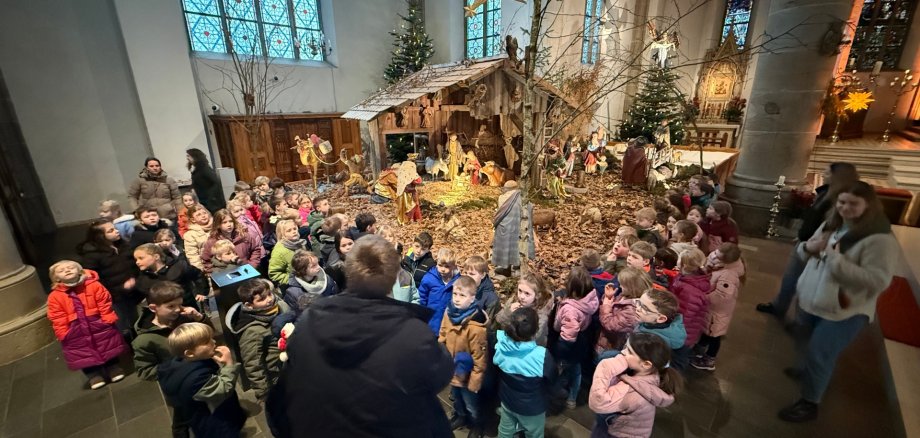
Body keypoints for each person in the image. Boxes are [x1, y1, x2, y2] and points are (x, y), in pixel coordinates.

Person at [266, 235, 454, 438]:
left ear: (349, 271)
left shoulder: (311, 318)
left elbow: (285, 395)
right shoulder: (413, 334)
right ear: (392, 279)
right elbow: (440, 375)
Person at [778, 181, 898, 422]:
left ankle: (810, 402)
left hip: (845, 309)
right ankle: (807, 371)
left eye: (854, 203)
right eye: (842, 202)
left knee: (820, 353)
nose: (845, 207)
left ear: (869, 205)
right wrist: (808, 247)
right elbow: (805, 251)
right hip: (811, 298)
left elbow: (878, 281)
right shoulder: (831, 225)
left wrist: (836, 262)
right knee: (804, 340)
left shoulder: (879, 240)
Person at [757, 163, 860, 319]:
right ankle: (779, 307)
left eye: (827, 172)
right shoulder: (826, 193)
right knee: (790, 278)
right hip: (807, 242)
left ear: (836, 177)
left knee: (807, 284)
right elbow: (813, 218)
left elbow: (830, 227)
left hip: (818, 248)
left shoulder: (841, 200)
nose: (823, 174)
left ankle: (801, 321)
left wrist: (816, 244)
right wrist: (802, 235)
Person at [46, 261, 127, 390]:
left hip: (97, 322)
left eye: (70, 268)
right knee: (82, 352)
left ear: (79, 270)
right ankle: (93, 374)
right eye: (61, 271)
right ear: (56, 278)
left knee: (107, 345)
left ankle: (113, 367)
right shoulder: (55, 296)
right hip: (74, 328)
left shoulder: (93, 285)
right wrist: (63, 331)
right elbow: (56, 315)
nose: (67, 270)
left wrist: (107, 317)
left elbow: (104, 301)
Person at [158, 323, 247, 437]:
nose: (214, 342)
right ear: (190, 353)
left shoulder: (179, 363)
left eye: (211, 338)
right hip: (215, 422)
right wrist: (229, 364)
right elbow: (224, 389)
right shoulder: (196, 380)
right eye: (206, 342)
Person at [588, 333, 680, 438]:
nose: (623, 352)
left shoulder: (631, 392)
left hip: (614, 433)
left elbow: (598, 402)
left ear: (646, 364)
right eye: (626, 347)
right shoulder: (653, 373)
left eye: (629, 352)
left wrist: (605, 368)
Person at [494, 307, 557, 438]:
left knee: (505, 431)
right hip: (532, 408)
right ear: (536, 331)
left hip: (508, 401)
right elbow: (553, 377)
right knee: (534, 434)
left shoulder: (500, 346)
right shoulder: (542, 356)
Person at [439, 276, 489, 437]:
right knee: (457, 399)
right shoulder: (449, 312)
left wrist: (474, 382)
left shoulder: (476, 327)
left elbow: (480, 359)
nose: (457, 299)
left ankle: (477, 423)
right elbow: (443, 332)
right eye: (455, 294)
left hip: (467, 376)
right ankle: (460, 417)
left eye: (462, 295)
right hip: (451, 368)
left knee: (471, 404)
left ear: (472, 298)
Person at [76, 219, 141, 338]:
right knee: (121, 324)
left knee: (134, 319)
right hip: (113, 296)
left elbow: (132, 264)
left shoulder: (123, 245)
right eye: (111, 231)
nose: (116, 232)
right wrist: (119, 288)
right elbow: (94, 279)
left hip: (130, 292)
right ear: (101, 236)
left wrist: (134, 277)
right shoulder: (92, 254)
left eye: (115, 228)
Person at [226, 279, 289, 401]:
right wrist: (265, 393)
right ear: (249, 305)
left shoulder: (278, 307)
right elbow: (253, 364)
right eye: (261, 299)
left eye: (269, 294)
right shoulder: (252, 331)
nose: (269, 299)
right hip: (276, 374)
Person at [692, 242, 745, 371]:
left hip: (717, 312)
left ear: (726, 261)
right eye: (715, 252)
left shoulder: (729, 275)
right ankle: (700, 347)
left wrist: (703, 298)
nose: (714, 256)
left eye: (718, 257)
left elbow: (722, 295)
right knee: (707, 330)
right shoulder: (722, 264)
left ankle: (709, 359)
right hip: (711, 309)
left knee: (714, 334)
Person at [554, 267, 600, 409]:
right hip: (583, 339)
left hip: (569, 345)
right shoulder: (591, 298)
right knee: (576, 368)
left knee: (564, 367)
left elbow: (568, 336)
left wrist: (560, 351)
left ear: (572, 290)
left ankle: (563, 394)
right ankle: (573, 397)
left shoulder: (570, 310)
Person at [669, 248, 711, 369]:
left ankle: (674, 382)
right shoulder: (689, 278)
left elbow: (684, 316)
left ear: (685, 265)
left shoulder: (689, 291)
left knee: (678, 360)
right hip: (684, 330)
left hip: (683, 333)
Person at [596, 267, 650, 360]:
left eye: (623, 285)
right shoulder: (625, 295)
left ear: (631, 287)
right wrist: (609, 297)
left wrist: (606, 304)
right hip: (606, 340)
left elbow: (610, 325)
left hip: (612, 345)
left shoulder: (633, 310)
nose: (620, 286)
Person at [134, 243, 208, 308]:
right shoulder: (143, 277)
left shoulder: (178, 266)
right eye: (136, 259)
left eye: (141, 258)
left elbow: (198, 275)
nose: (137, 262)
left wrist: (201, 292)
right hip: (162, 314)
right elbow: (140, 295)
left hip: (185, 306)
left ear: (156, 257)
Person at [494, 272, 555, 347]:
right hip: (510, 343)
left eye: (527, 293)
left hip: (530, 348)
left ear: (537, 295)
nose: (522, 296)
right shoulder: (514, 300)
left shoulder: (541, 312)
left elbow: (536, 337)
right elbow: (498, 319)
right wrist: (508, 311)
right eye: (520, 291)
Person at [200, 209, 263, 274]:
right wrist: (216, 274)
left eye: (230, 221)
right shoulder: (212, 241)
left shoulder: (244, 236)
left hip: (246, 272)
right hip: (226, 276)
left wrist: (251, 266)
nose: (229, 224)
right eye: (224, 222)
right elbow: (206, 261)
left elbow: (255, 250)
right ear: (218, 224)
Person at [492, 181, 534, 276]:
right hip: (519, 226)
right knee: (517, 246)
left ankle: (506, 268)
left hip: (505, 228)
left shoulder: (502, 198)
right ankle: (517, 266)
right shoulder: (523, 198)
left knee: (506, 247)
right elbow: (530, 207)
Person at [419, 248, 462, 334]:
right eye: (440, 265)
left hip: (449, 325)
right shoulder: (429, 279)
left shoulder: (458, 281)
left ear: (453, 266)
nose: (442, 269)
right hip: (431, 323)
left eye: (447, 266)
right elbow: (422, 299)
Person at [186, 148, 226, 213]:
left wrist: (210, 197)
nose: (187, 158)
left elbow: (216, 182)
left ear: (195, 157)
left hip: (213, 203)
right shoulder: (196, 169)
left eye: (189, 156)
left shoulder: (204, 168)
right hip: (204, 201)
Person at [269, 219, 307, 285]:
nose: (294, 232)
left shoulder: (299, 243)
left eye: (294, 229)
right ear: (282, 234)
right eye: (289, 231)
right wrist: (294, 281)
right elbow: (274, 274)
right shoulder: (279, 251)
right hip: (294, 286)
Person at [182, 204, 213, 271]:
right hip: (207, 267)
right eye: (198, 215)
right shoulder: (190, 235)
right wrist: (201, 269)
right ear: (193, 220)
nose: (203, 216)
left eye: (204, 213)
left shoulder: (217, 227)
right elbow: (192, 255)